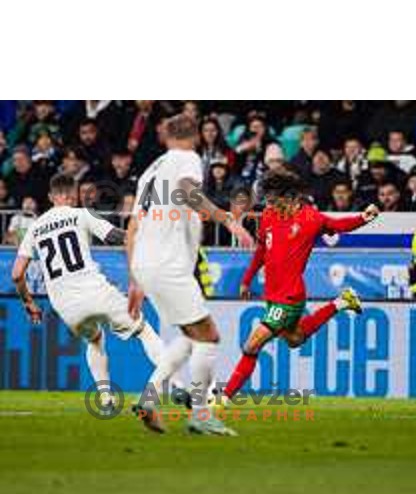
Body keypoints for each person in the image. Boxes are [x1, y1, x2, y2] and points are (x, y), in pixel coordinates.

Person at [127, 113, 254, 435]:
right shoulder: (188, 158)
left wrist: (134, 279)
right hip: (169, 264)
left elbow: (133, 226)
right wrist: (226, 219)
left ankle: (148, 400)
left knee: (189, 335)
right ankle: (200, 413)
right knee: (209, 336)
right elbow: (187, 191)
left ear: (165, 136)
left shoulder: (151, 170)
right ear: (196, 136)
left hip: (147, 262)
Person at [10, 174, 175, 414]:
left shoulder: (35, 228)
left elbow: (16, 274)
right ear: (73, 195)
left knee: (95, 340)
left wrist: (28, 303)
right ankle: (175, 385)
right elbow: (116, 237)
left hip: (66, 306)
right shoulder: (81, 214)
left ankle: (106, 399)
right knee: (143, 330)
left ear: (50, 197)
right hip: (96, 291)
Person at [222, 167, 380, 404]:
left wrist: (364, 217)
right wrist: (247, 278)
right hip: (272, 295)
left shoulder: (310, 218)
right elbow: (262, 250)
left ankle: (224, 398)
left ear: (291, 197)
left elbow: (339, 225)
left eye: (275, 201)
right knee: (295, 339)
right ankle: (341, 302)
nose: (271, 206)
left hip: (290, 296)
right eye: (268, 201)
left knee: (252, 344)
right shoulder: (268, 215)